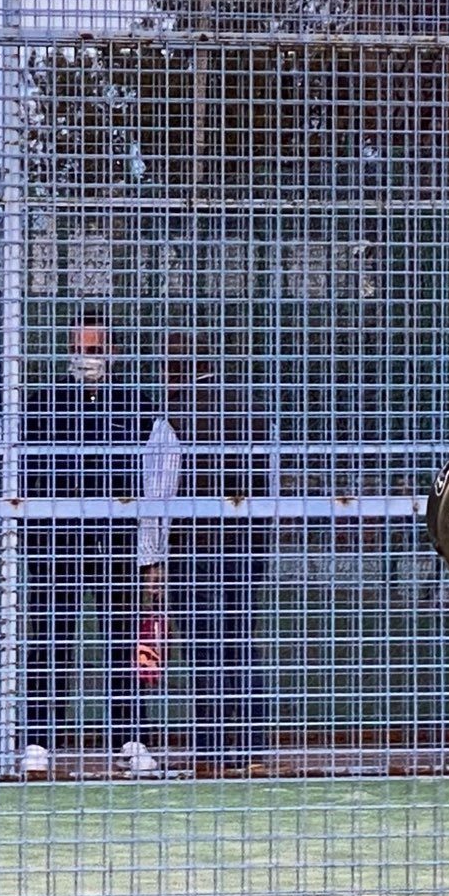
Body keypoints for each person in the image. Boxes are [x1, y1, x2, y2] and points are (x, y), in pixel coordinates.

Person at [18, 316, 164, 778]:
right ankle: (39, 740)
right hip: (55, 542)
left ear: (113, 353)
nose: (86, 358)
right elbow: (21, 472)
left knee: (122, 641)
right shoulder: (42, 404)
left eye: (95, 348)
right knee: (49, 640)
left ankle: (131, 736)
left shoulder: (137, 407)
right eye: (79, 348)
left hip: (115, 541)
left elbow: (153, 482)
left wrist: (150, 553)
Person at [144, 332, 272, 777]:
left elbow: (158, 496)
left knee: (203, 645)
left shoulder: (172, 421)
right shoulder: (254, 412)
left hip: (193, 547)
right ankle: (252, 747)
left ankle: (213, 748)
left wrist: (153, 560)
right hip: (246, 545)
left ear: (172, 371)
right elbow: (270, 485)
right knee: (240, 640)